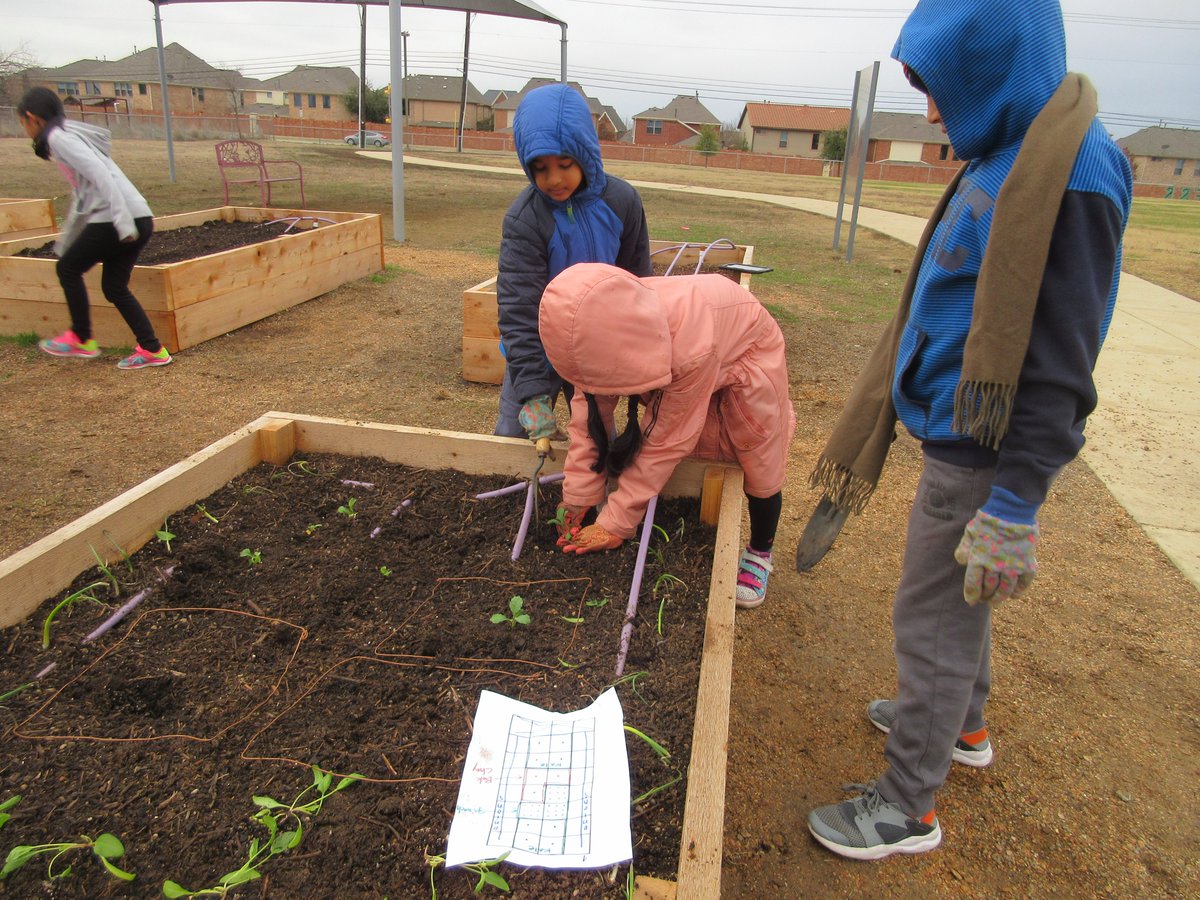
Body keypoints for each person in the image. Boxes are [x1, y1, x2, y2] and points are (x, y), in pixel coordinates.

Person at [804, 0, 1132, 860]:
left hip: (986, 454)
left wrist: (1015, 504)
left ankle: (906, 806)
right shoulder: (1008, 152)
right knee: (956, 605)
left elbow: (1063, 359)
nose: (930, 112)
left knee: (934, 621)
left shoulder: (1075, 170)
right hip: (956, 437)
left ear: (994, 67)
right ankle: (963, 727)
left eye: (940, 89)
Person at [537, 262, 796, 609]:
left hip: (749, 353)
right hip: (696, 345)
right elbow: (589, 418)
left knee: (757, 452)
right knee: (697, 445)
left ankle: (760, 551)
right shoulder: (600, 328)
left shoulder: (691, 345)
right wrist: (579, 495)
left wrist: (616, 522)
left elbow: (665, 439)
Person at [494, 82, 650, 442]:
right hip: (537, 350)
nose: (553, 179)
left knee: (599, 442)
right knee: (512, 438)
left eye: (564, 164)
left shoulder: (622, 201)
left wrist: (638, 350)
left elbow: (639, 283)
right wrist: (533, 393)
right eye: (540, 168)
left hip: (596, 348)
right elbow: (519, 307)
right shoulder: (525, 219)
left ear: (585, 152)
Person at [16, 87, 171, 370]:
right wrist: (68, 240)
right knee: (114, 287)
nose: (25, 129)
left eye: (23, 123)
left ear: (32, 118)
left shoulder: (59, 137)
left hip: (117, 219)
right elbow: (83, 196)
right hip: (139, 216)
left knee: (67, 269)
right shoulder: (68, 136)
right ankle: (152, 349)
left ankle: (81, 337)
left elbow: (100, 175)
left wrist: (121, 221)